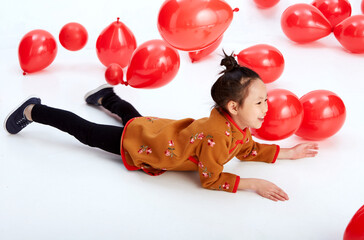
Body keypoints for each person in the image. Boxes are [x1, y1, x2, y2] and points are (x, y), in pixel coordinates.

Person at [4, 52, 318, 201]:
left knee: (135, 119)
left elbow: (246, 148)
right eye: (260, 102)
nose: (268, 107)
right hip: (148, 145)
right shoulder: (215, 137)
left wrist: (288, 153)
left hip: (160, 131)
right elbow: (210, 180)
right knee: (88, 133)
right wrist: (254, 184)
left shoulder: (235, 126)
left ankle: (106, 96)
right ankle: (34, 110)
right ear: (234, 108)